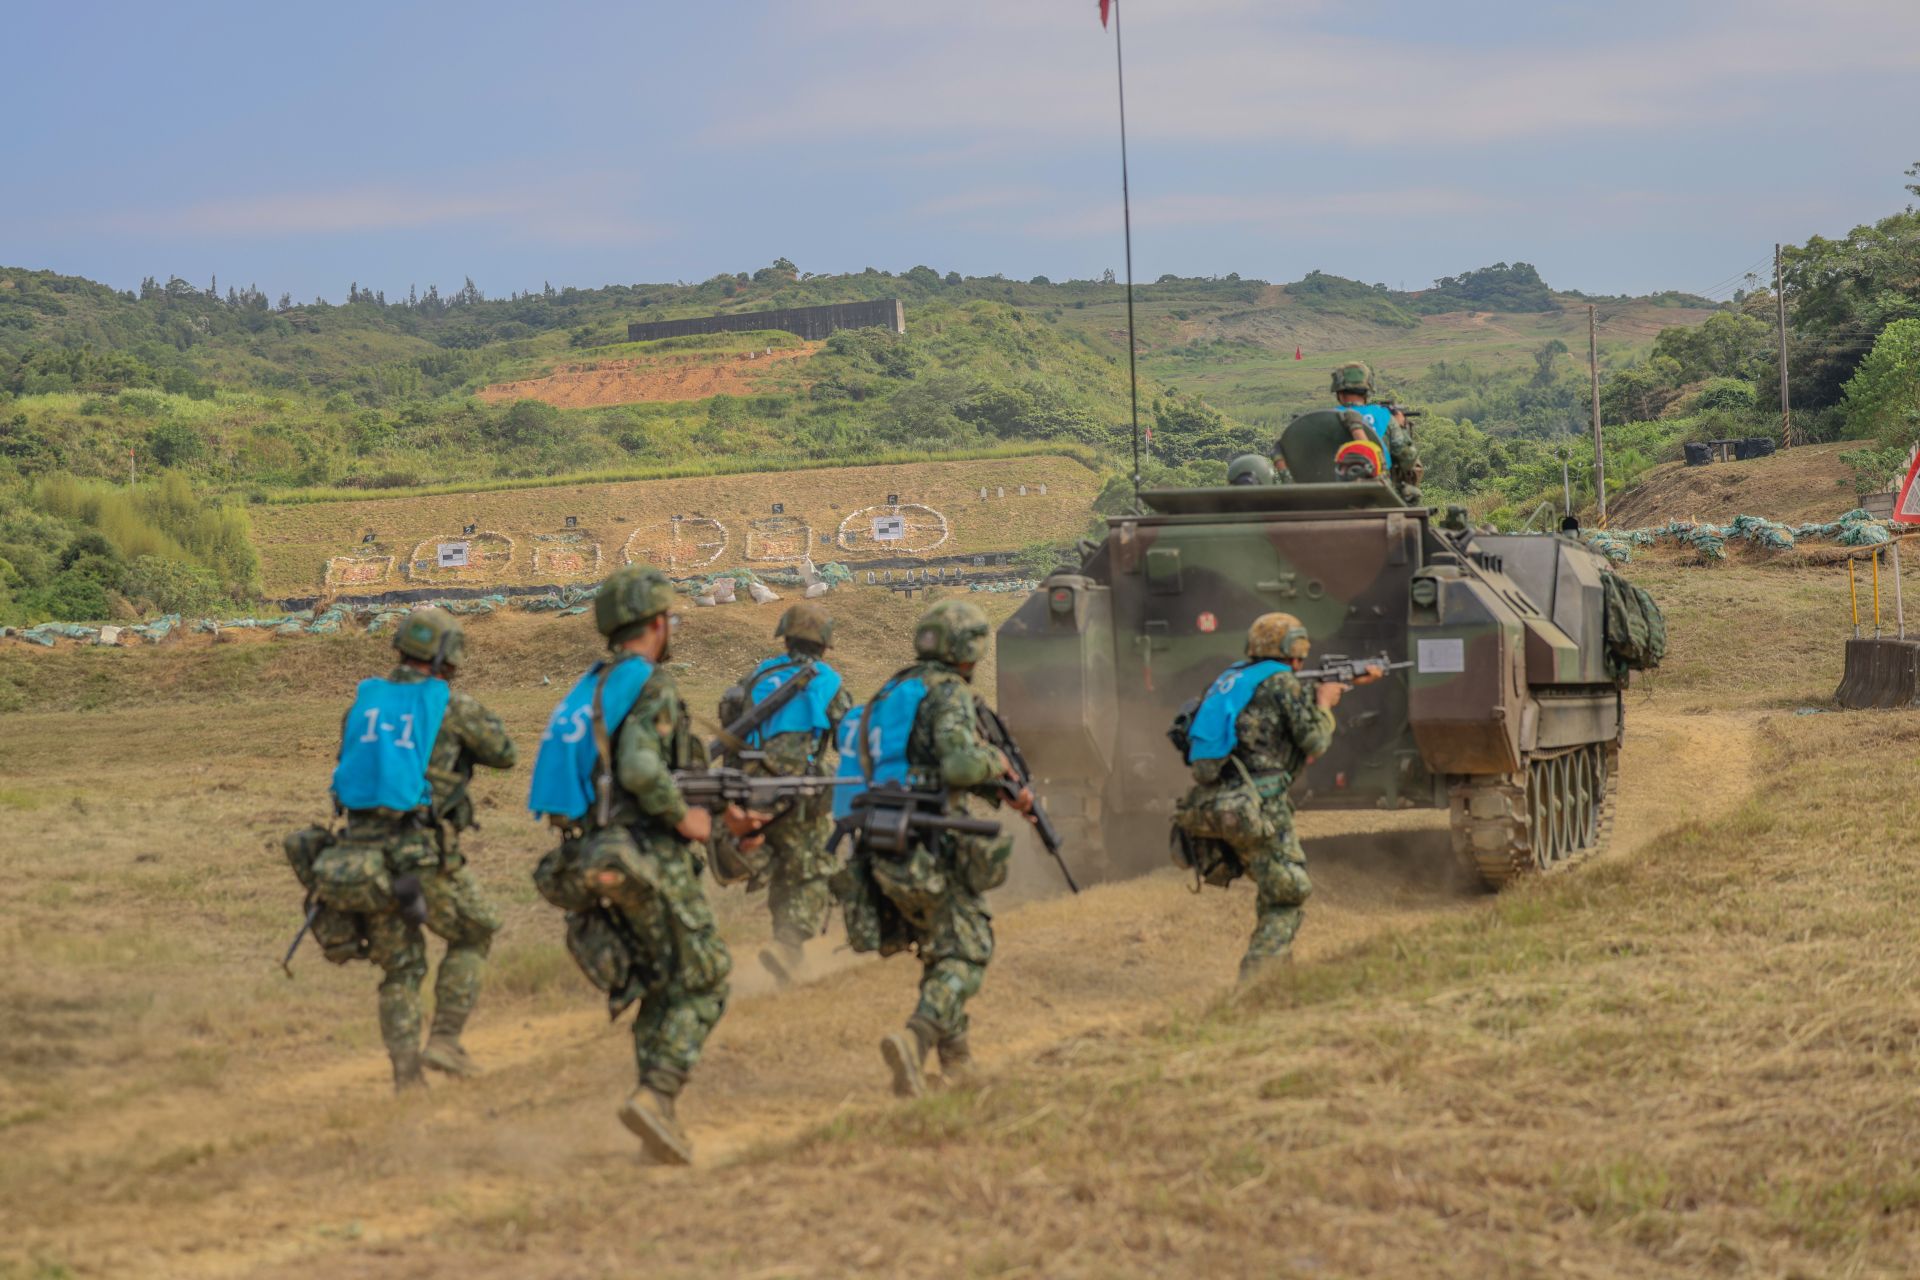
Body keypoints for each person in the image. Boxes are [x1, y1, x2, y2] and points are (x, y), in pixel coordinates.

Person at [526, 565, 758, 1164]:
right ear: (657, 625)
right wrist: (695, 823)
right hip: (644, 856)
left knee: (660, 985)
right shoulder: (648, 684)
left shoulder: (593, 687)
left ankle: (658, 1122)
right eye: (671, 620)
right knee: (705, 981)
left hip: (590, 850)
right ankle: (656, 1096)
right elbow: (639, 770)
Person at [832, 599, 1033, 1098]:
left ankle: (957, 1062)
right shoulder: (947, 693)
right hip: (928, 838)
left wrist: (998, 789)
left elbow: (920, 762)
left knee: (942, 946)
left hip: (879, 838)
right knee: (969, 948)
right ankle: (915, 1038)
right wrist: (996, 764)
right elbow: (961, 766)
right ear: (967, 649)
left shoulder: (891, 691)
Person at [327, 606, 516, 1090]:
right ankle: (446, 1040)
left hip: (363, 860)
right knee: (475, 931)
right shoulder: (449, 706)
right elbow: (504, 752)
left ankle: (407, 1080)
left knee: (401, 968)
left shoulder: (362, 704)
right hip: (420, 855)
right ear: (447, 655)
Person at [1170, 613, 1376, 979]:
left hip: (1212, 803)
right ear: (1293, 650)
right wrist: (1326, 702)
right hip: (1258, 807)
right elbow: (1314, 741)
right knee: (1289, 891)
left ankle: (1280, 972)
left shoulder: (1234, 678)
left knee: (1273, 886)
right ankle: (1260, 978)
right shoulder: (1282, 683)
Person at [715, 601, 852, 987]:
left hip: (751, 788)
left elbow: (730, 719)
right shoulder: (827, 681)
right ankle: (787, 947)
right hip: (799, 791)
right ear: (824, 643)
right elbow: (845, 737)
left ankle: (785, 956)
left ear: (785, 635)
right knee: (810, 869)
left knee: (783, 868)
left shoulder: (758, 675)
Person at [1329, 362, 1394, 471]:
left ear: (1339, 393)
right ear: (1367, 392)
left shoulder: (1326, 416)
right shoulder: (1384, 415)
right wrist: (1401, 426)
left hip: (1328, 483)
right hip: (1376, 481)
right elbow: (1407, 458)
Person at [1376, 395, 1427, 505]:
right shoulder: (1390, 426)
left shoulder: (1363, 422)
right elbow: (1409, 459)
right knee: (1413, 495)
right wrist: (1399, 427)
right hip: (1384, 489)